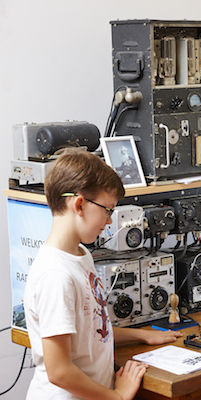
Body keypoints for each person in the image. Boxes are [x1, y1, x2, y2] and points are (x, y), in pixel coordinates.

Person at [23, 149, 182, 400]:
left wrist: (142, 335)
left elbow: (92, 330)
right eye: (107, 210)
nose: (109, 221)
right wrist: (117, 397)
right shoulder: (55, 275)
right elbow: (59, 371)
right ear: (79, 204)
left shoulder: (81, 255)